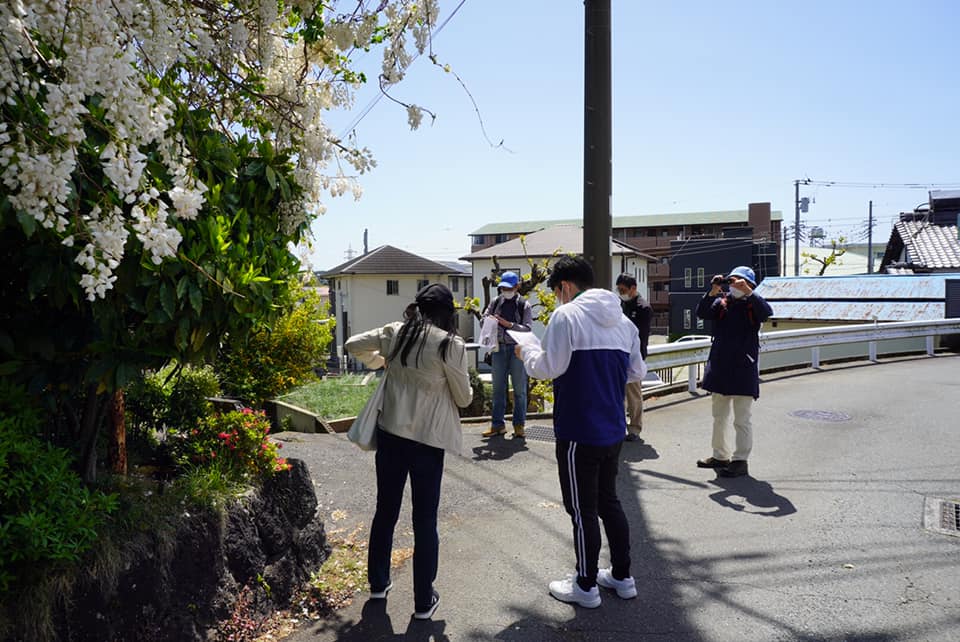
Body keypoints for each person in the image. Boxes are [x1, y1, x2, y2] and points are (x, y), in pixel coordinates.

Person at [516, 256, 646, 608]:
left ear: (566, 286)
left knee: (581, 510)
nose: (559, 297)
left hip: (577, 429)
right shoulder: (624, 322)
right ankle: (622, 576)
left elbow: (549, 368)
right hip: (613, 427)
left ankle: (586, 585)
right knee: (609, 502)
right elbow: (636, 372)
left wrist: (527, 352)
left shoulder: (566, 316)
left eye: (557, 291)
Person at [345, 283, 473, 620]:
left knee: (385, 510)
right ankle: (422, 601)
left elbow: (352, 344)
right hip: (427, 441)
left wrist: (381, 362)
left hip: (390, 434)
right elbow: (464, 399)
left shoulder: (395, 332)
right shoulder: (450, 344)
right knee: (425, 519)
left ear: (418, 307)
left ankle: (378, 583)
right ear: (447, 313)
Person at [695, 265, 773, 478]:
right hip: (720, 367)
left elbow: (767, 313)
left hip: (743, 369)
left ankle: (740, 460)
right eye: (732, 281)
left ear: (750, 285)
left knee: (742, 419)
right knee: (718, 416)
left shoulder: (753, 305)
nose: (735, 285)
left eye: (740, 282)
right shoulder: (722, 303)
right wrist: (713, 290)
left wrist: (748, 292)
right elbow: (702, 312)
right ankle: (720, 455)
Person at [481, 271, 533, 438]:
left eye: (509, 288)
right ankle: (498, 425)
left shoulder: (524, 305)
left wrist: (509, 324)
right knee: (498, 389)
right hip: (499, 348)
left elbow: (528, 328)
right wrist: (488, 320)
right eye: (503, 288)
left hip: (517, 349)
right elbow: (483, 320)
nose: (506, 291)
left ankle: (519, 425)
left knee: (519, 389)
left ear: (517, 287)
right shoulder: (496, 302)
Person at [615, 273, 652, 441]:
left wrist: (638, 357)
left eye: (623, 290)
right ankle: (619, 427)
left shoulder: (643, 308)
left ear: (633, 288)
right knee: (618, 394)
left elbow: (641, 337)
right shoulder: (619, 305)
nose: (620, 293)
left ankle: (635, 428)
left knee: (633, 395)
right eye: (618, 290)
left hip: (634, 356)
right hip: (618, 354)